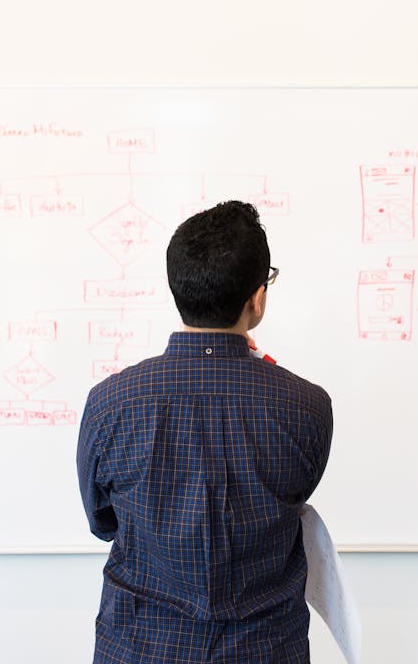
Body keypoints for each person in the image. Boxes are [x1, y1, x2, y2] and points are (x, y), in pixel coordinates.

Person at [77, 200, 334, 663]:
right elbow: (293, 499)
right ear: (256, 298)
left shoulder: (110, 403)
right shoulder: (307, 407)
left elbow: (102, 522)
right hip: (265, 650)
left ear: (178, 290)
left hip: (140, 648)